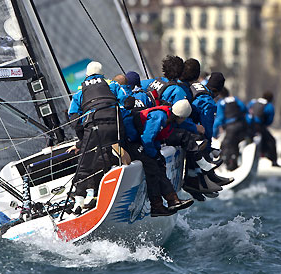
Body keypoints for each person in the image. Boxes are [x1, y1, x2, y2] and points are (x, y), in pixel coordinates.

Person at [67, 61, 127, 214]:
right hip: (115, 126)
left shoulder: (80, 91)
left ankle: (78, 200)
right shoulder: (111, 85)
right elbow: (126, 101)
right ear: (102, 74)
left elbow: (73, 116)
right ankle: (113, 184)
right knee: (111, 153)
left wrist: (82, 137)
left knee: (85, 163)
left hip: (93, 127)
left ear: (87, 75)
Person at [122, 99, 194, 216]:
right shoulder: (159, 116)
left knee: (160, 164)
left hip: (140, 141)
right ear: (181, 117)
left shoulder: (169, 119)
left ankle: (172, 199)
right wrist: (154, 154)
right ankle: (157, 206)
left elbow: (155, 138)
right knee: (152, 166)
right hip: (131, 141)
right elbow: (147, 139)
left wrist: (157, 154)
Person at [179, 61, 232, 193]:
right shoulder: (208, 102)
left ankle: (206, 179)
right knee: (203, 141)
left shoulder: (196, 86)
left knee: (201, 141)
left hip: (181, 124)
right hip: (185, 129)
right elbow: (207, 129)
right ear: (216, 91)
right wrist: (208, 148)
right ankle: (202, 180)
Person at [213, 87, 248, 170]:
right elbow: (244, 109)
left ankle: (227, 165)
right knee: (235, 144)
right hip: (241, 125)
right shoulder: (235, 99)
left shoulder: (221, 103)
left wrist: (214, 133)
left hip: (230, 126)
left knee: (226, 145)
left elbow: (219, 119)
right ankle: (234, 163)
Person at [247, 91, 280, 167]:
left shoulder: (253, 102)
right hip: (259, 126)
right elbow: (270, 120)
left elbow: (246, 111)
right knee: (271, 140)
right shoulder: (269, 106)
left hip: (248, 126)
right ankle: (273, 161)